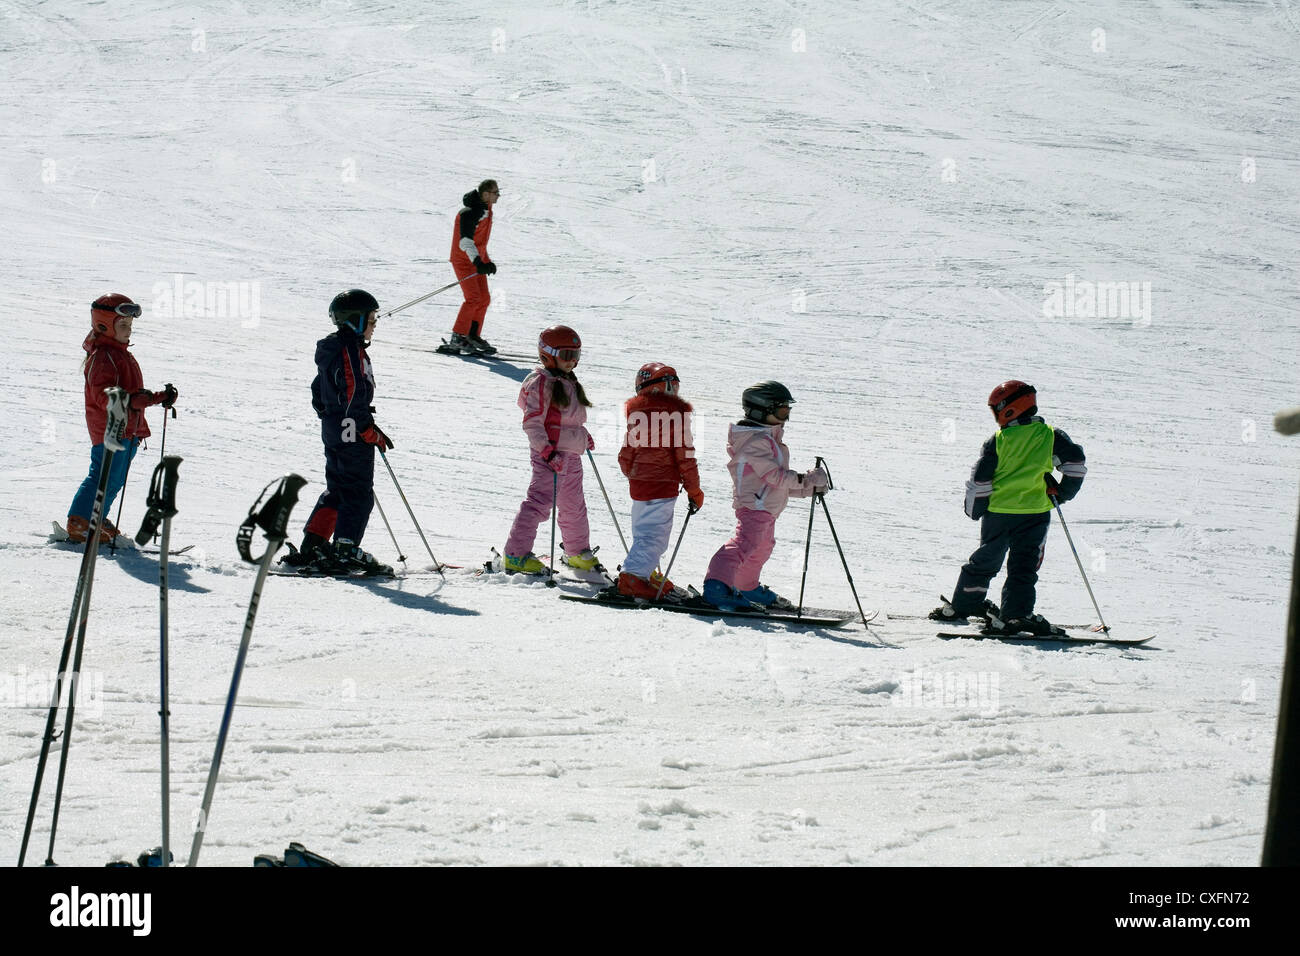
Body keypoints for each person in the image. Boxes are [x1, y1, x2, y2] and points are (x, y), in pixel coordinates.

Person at [929, 381, 1087, 635]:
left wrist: (974, 510)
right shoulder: (1051, 436)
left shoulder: (998, 441)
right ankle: (1015, 615)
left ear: (1008, 409)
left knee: (985, 559)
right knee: (1024, 567)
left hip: (999, 514)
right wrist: (1062, 491)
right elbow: (1076, 466)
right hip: (1035, 514)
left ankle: (963, 605)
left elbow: (980, 481)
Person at [283, 289, 393, 575]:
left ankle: (313, 545)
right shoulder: (349, 350)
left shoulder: (335, 348)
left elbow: (318, 390)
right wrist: (364, 427)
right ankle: (345, 549)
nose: (374, 324)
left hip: (336, 426)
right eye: (370, 319)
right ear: (355, 320)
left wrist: (331, 416)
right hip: (349, 427)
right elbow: (353, 390)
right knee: (358, 491)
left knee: (338, 489)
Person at [701, 381, 827, 611]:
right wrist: (806, 479)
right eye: (781, 411)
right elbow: (775, 476)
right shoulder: (756, 443)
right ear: (761, 410)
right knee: (743, 544)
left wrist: (810, 489)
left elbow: (779, 485)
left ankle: (746, 587)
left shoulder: (769, 440)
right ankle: (716, 587)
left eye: (788, 411)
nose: (786, 417)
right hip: (754, 506)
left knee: (761, 548)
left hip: (766, 508)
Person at [65, 293, 177, 544]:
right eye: (123, 325)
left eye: (130, 326)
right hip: (109, 430)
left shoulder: (121, 354)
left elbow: (136, 396)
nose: (129, 331)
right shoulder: (102, 357)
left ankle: (97, 516)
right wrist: (131, 400)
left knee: (115, 478)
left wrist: (161, 397)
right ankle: (80, 521)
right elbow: (103, 396)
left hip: (128, 430)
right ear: (104, 325)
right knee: (102, 476)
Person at [502, 325, 600, 575]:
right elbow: (532, 423)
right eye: (567, 356)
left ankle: (576, 551)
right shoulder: (541, 383)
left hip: (571, 455)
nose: (573, 362)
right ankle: (516, 554)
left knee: (574, 505)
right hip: (551, 456)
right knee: (539, 503)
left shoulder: (567, 381)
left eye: (577, 356)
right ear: (547, 354)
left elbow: (570, 420)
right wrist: (547, 452)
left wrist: (582, 435)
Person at [615, 363, 704, 601]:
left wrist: (633, 473)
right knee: (655, 536)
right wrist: (694, 489)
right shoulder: (677, 417)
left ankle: (646, 573)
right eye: (671, 387)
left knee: (643, 530)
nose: (674, 392)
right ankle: (633, 577)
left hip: (640, 484)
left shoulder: (638, 414)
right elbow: (685, 456)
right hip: (662, 483)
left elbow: (627, 451)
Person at [447, 179, 499, 355]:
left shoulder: (486, 211)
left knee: (484, 299)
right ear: (485, 195)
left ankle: (472, 335)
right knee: (473, 298)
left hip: (476, 260)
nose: (498, 195)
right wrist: (478, 262)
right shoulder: (470, 213)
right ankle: (457, 337)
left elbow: (480, 242)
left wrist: (486, 261)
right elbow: (465, 242)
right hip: (463, 260)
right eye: (495, 192)